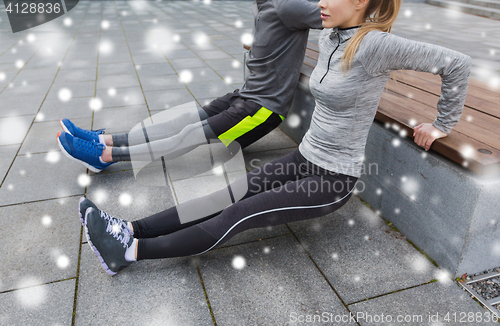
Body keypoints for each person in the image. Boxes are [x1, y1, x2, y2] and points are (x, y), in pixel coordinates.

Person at [80, 0, 472, 275]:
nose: (320, 1)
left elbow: (457, 64)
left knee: (237, 214)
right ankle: (130, 228)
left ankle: (128, 252)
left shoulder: (377, 45)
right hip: (305, 157)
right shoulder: (332, 36)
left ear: (360, 2)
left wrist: (442, 124)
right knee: (227, 195)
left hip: (333, 178)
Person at [56, 0, 323, 173]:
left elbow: (342, 14)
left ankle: (105, 155)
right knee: (182, 119)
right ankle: (104, 139)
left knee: (189, 133)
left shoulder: (288, 6)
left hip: (263, 110)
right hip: (245, 96)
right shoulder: (265, 4)